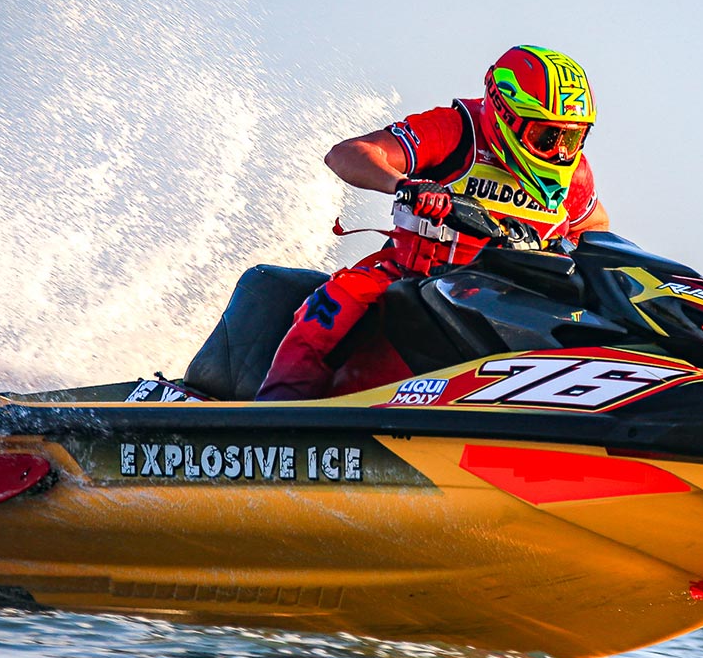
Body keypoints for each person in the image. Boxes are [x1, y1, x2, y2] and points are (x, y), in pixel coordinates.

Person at [255, 44, 611, 401]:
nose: (560, 152)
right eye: (546, 136)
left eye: (572, 137)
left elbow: (595, 228)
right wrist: (404, 185)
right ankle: (271, 416)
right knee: (330, 309)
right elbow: (347, 154)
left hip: (513, 301)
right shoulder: (455, 130)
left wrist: (567, 252)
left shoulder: (575, 174)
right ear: (505, 115)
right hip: (414, 279)